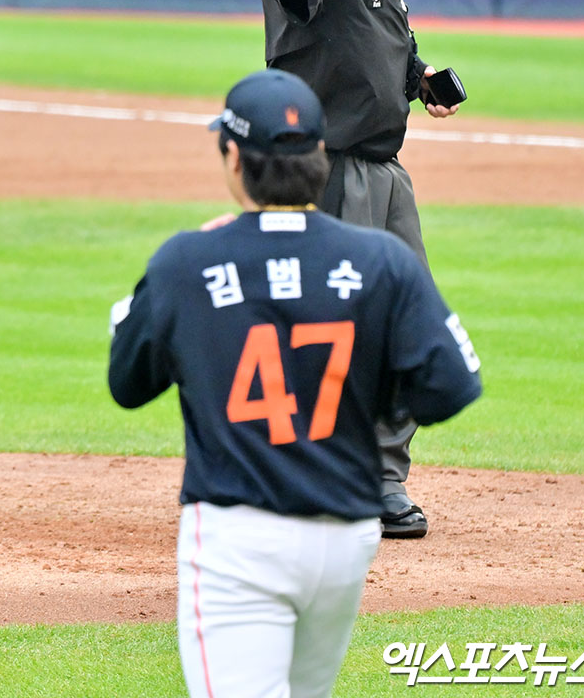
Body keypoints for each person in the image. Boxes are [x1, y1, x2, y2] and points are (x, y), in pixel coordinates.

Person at [107, 69, 482, 698]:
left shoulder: (188, 261)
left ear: (233, 157)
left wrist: (163, 286)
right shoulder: (380, 262)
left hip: (239, 537)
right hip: (347, 538)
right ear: (318, 155)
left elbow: (128, 381)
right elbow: (452, 385)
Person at [261, 0, 463, 539]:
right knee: (333, 327)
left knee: (405, 319)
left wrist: (418, 79)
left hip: (385, 170)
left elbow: (371, 45)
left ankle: (380, 478)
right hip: (333, 169)